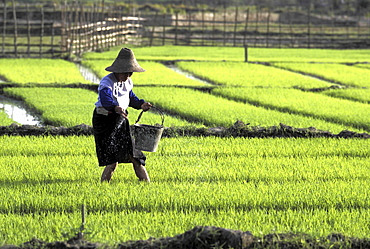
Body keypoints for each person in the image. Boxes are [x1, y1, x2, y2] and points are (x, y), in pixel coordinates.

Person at [92, 48, 152, 183]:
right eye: (126, 72)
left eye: (131, 73)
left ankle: (147, 184)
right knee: (112, 159)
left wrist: (141, 105)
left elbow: (131, 97)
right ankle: (103, 185)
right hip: (105, 120)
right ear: (118, 71)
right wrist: (115, 107)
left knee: (135, 155)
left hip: (121, 119)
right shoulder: (106, 82)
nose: (129, 75)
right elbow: (106, 98)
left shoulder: (128, 82)